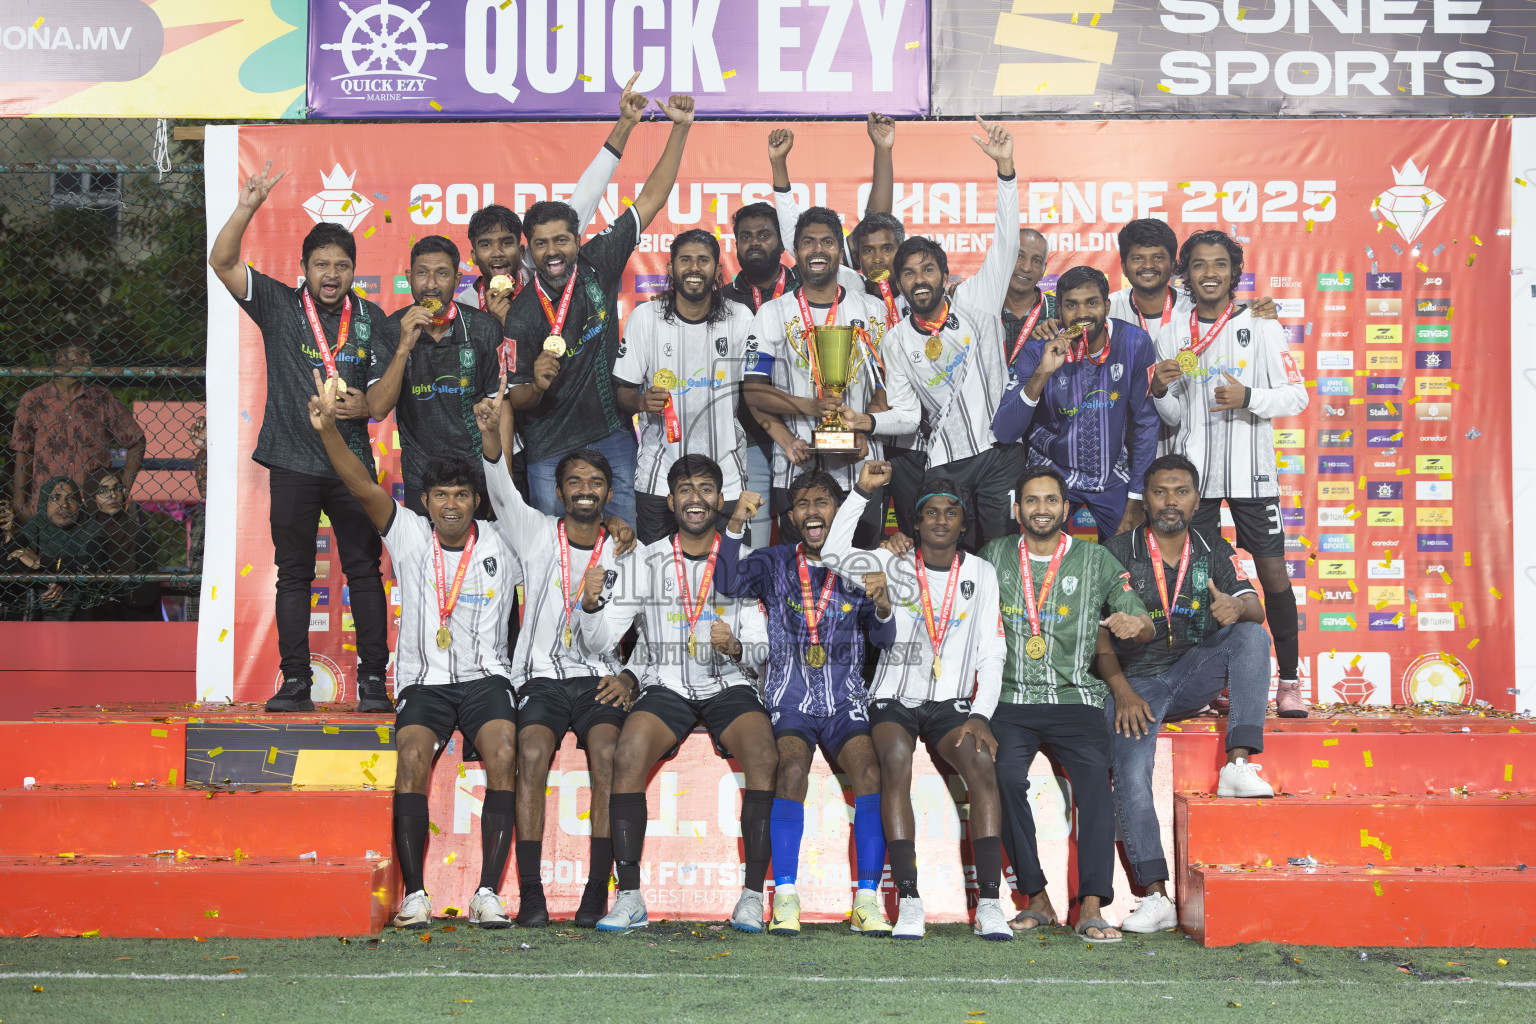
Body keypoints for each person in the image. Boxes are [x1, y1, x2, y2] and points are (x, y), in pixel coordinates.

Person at [306, 369, 522, 930]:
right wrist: (330, 431)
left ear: (477, 500)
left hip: (485, 679)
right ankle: (416, 895)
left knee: (503, 751)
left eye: (462, 495)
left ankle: (487, 894)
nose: (451, 505)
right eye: (441, 496)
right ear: (425, 500)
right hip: (423, 683)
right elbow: (361, 483)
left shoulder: (504, 542)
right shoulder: (406, 532)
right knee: (411, 759)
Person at [207, 161, 391, 714]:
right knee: (294, 574)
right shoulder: (280, 306)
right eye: (321, 264)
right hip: (291, 460)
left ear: (355, 269)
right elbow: (222, 261)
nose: (331, 274)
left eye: (341, 265)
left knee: (364, 571)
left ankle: (375, 684)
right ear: (303, 267)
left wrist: (366, 403)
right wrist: (247, 206)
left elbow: (383, 392)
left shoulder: (373, 316)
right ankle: (294, 684)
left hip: (353, 465)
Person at [572, 455, 779, 934]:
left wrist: (737, 646)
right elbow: (602, 642)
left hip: (727, 681)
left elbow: (763, 649)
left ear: (720, 501)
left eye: (706, 489)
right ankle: (629, 898)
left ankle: (751, 897)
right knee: (626, 755)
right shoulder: (645, 560)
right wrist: (589, 603)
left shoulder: (743, 561)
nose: (696, 499)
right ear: (670, 501)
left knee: (765, 756)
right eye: (685, 490)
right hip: (666, 682)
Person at [820, 460, 1010, 941]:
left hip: (951, 704)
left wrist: (982, 714)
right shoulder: (890, 561)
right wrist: (862, 492)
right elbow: (832, 552)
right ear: (916, 522)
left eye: (951, 513)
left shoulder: (982, 573)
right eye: (931, 513)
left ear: (963, 524)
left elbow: (993, 651)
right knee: (895, 759)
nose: (941, 520)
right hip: (894, 698)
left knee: (983, 766)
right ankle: (909, 900)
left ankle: (990, 902)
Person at [473, 384, 637, 929]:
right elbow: (498, 489)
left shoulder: (625, 553)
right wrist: (492, 435)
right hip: (541, 678)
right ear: (560, 491)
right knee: (531, 750)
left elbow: (605, 640)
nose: (585, 490)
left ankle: (596, 890)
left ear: (609, 492)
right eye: (574, 482)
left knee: (610, 753)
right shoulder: (536, 532)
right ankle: (531, 893)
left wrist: (596, 611)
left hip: (597, 678)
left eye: (595, 482)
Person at [976, 464, 1155, 944]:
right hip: (1010, 700)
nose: (1041, 509)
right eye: (1031, 501)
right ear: (1017, 510)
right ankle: (1035, 897)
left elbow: (1140, 616)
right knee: (1004, 777)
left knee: (1096, 782)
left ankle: (1093, 905)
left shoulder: (1096, 561)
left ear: (1066, 509)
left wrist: (1136, 626)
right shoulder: (992, 555)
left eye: (1050, 500)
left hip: (1076, 700)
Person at [712, 475, 896, 936]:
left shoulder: (862, 564)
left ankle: (867, 900)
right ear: (790, 517)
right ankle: (787, 897)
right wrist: (735, 523)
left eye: (821, 502)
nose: (811, 511)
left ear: (838, 510)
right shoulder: (774, 561)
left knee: (870, 774)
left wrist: (884, 606)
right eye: (801, 504)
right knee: (791, 768)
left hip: (843, 699)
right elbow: (728, 580)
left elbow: (885, 639)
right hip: (789, 698)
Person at [504, 93, 696, 527]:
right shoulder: (521, 314)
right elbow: (517, 398)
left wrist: (680, 128)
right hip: (548, 447)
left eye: (561, 240)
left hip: (612, 434)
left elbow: (651, 199)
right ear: (528, 251)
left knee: (624, 552)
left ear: (576, 239)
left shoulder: (599, 262)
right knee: (557, 560)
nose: (553, 252)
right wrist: (535, 384)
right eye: (541, 244)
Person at [1101, 454, 1275, 934]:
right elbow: (1093, 638)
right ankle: (1156, 897)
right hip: (1134, 687)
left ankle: (1238, 764)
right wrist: (1121, 691)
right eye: (1160, 492)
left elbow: (1256, 610)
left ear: (1196, 499)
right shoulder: (1116, 550)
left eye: (1180, 492)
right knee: (1131, 777)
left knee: (1252, 636)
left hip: (1188, 675)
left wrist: (1237, 610)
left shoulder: (1213, 549)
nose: (1170, 502)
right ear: (1147, 498)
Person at [840, 118, 1020, 551]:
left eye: (927, 270)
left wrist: (1006, 170)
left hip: (999, 453)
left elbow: (1006, 243)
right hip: (945, 460)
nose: (919, 280)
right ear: (897, 283)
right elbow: (904, 414)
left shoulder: (977, 301)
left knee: (998, 551)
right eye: (908, 273)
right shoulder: (896, 340)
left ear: (943, 274)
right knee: (943, 554)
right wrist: (866, 421)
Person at [1150, 230, 1308, 718]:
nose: (1210, 273)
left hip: (1252, 475)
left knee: (1273, 573)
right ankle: (1214, 679)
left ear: (1234, 273)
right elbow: (1173, 416)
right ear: (1186, 275)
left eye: (1220, 264)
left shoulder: (1261, 325)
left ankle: (1288, 681)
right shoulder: (1173, 330)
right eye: (1199, 265)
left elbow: (1296, 395)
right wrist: (1159, 389)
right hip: (1194, 482)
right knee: (1196, 581)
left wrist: (1250, 398)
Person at [742, 206, 890, 547]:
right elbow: (753, 390)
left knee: (860, 570)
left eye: (828, 242)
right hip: (797, 464)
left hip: (861, 466)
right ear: (796, 251)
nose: (818, 250)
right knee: (801, 576)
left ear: (840, 250)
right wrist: (794, 426)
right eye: (808, 242)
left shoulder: (872, 310)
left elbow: (885, 387)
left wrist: (867, 430)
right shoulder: (771, 313)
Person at [465, 74, 649, 326]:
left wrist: (625, 123)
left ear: (522, 251)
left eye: (506, 243)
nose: (497, 254)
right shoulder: (466, 306)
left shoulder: (538, 263)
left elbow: (588, 194)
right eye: (486, 245)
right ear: (473, 255)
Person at [992, 264, 1160, 540]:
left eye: (1091, 303)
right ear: (1058, 311)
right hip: (1050, 474)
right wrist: (1043, 372)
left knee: (1133, 556)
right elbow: (1005, 431)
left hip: (1110, 476)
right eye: (1071, 305)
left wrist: (1135, 497)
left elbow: (1145, 423)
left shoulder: (1134, 343)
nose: (1082, 314)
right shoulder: (1037, 349)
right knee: (1041, 561)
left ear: (1106, 305)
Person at [614, 230, 757, 543]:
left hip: (726, 478)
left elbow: (759, 390)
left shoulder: (741, 318)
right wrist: (641, 402)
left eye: (703, 260)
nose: (694, 268)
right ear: (670, 268)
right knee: (658, 577)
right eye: (685, 260)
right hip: (658, 477)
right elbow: (621, 390)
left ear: (718, 270)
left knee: (726, 577)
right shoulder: (645, 318)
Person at [368, 236, 506, 516]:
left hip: (476, 475)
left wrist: (502, 483)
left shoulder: (483, 328)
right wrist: (404, 347)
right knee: (424, 560)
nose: (430, 285)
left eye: (441, 273)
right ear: (409, 277)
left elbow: (500, 411)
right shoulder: (390, 329)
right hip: (421, 477)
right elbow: (378, 409)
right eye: (422, 273)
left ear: (456, 280)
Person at [10, 340, 145, 523]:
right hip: (47, 506)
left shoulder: (101, 398)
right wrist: (19, 503)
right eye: (82, 353)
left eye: (90, 354)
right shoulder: (33, 399)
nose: (88, 359)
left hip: (92, 508)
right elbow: (23, 453)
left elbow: (136, 441)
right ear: (60, 357)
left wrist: (122, 489)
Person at [8, 476, 108, 620]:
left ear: (79, 503)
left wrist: (41, 563)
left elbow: (93, 564)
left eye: (71, 498)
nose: (64, 505)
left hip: (86, 614)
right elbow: (8, 561)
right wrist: (54, 578)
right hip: (35, 615)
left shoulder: (92, 529)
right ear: (44, 503)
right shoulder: (34, 528)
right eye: (56, 498)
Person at [83, 468, 162, 621]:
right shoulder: (83, 532)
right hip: (93, 615)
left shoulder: (138, 533)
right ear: (90, 495)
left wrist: (117, 589)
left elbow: (149, 586)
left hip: (134, 615)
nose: (112, 495)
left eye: (118, 488)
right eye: (103, 491)